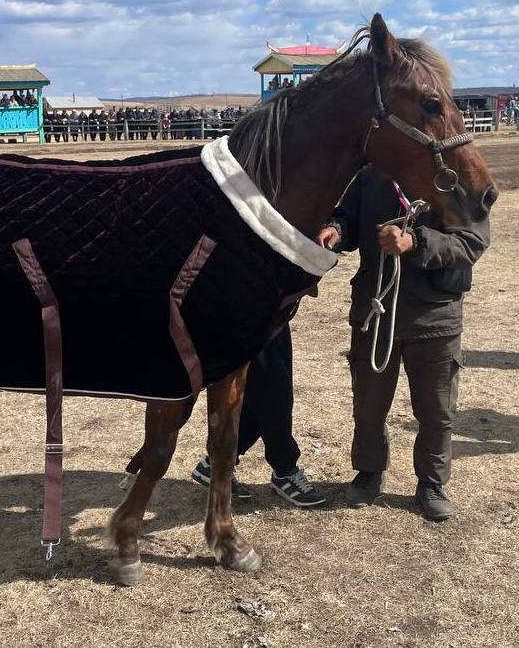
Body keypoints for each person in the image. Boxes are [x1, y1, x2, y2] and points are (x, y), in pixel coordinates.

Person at [315, 167, 490, 521]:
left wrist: (416, 243)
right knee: (368, 402)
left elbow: (472, 242)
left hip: (435, 315)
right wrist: (336, 229)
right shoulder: (373, 173)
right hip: (375, 307)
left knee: (436, 410)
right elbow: (348, 215)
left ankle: (431, 483)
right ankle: (369, 470)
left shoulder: (456, 178)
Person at [189, 326, 326, 506]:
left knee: (263, 388)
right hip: (250, 318)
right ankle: (284, 470)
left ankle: (219, 461)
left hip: (271, 315)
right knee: (273, 389)